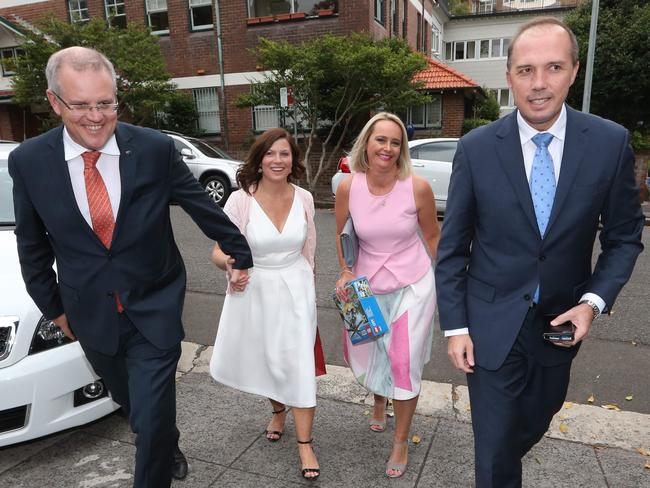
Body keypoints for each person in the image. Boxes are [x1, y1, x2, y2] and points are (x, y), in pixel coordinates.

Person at [8, 46, 253, 488]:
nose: (96, 116)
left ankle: (157, 446)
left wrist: (240, 252)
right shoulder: (28, 161)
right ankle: (164, 440)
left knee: (151, 413)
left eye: (105, 103)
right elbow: (32, 244)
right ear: (53, 100)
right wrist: (56, 309)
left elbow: (201, 206)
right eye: (81, 105)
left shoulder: (155, 149)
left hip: (154, 303)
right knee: (133, 403)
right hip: (87, 313)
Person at [435, 17, 644, 488]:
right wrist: (456, 327)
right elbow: (452, 250)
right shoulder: (477, 148)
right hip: (489, 324)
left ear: (573, 70)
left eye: (553, 67)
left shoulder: (609, 144)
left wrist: (592, 303)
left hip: (560, 323)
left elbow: (624, 237)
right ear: (508, 77)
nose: (539, 83)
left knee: (531, 423)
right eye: (526, 70)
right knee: (492, 449)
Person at [209, 128, 324, 481]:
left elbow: (310, 251)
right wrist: (230, 266)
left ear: (293, 161)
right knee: (267, 358)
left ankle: (305, 443)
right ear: (258, 160)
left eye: (284, 154)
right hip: (256, 288)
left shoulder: (304, 198)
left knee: (298, 362)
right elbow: (218, 250)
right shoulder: (240, 200)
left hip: (296, 287)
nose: (277, 160)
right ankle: (278, 409)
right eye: (270, 154)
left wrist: (311, 292)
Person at [334, 112, 440, 478]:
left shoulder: (418, 187)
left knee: (402, 360)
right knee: (368, 351)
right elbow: (342, 234)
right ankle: (380, 401)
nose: (388, 148)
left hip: (413, 284)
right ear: (367, 142)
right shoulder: (348, 186)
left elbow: (432, 237)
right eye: (381, 140)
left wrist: (451, 282)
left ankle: (400, 440)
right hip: (365, 287)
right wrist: (346, 272)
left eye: (396, 142)